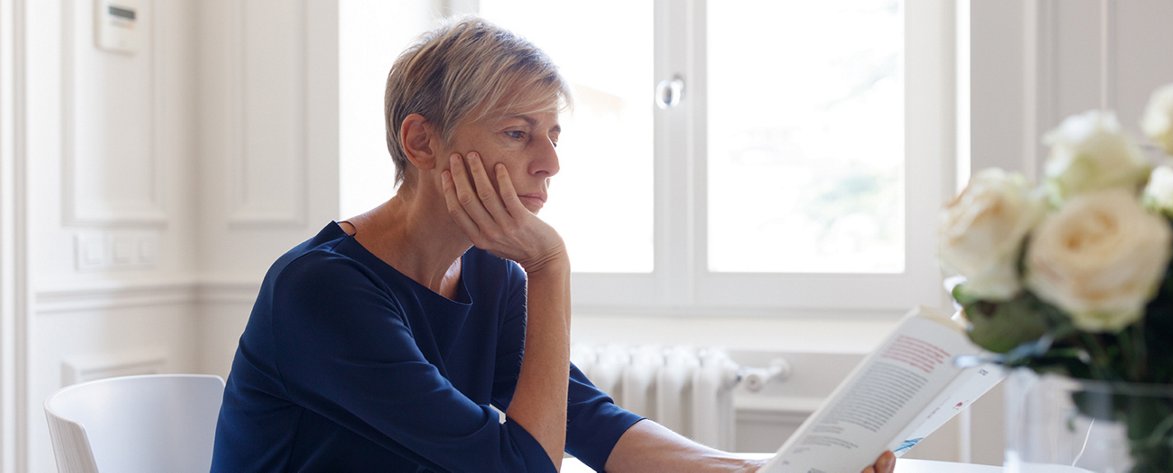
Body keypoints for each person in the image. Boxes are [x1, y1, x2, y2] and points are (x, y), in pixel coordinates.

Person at [211, 16, 896, 473]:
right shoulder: (322, 289)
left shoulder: (490, 275)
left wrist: (770, 469)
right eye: (517, 133)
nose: (549, 163)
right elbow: (520, 466)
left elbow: (592, 424)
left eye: (553, 134)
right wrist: (551, 266)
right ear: (422, 141)